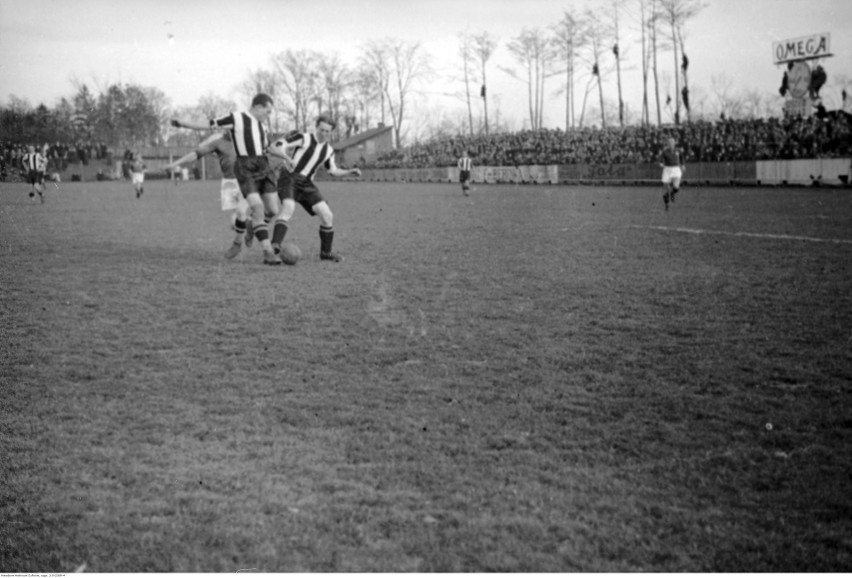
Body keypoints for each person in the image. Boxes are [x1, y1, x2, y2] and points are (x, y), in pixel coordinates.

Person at [171, 93, 282, 265]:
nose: (269, 116)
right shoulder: (236, 118)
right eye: (267, 112)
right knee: (256, 210)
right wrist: (183, 123)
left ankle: (247, 232)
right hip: (246, 168)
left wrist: (288, 159)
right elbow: (208, 124)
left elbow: (268, 146)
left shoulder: (262, 127)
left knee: (273, 210)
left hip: (263, 167)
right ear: (258, 107)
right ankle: (266, 252)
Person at [266, 115, 361, 262]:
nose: (323, 133)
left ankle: (326, 253)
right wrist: (287, 158)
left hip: (307, 184)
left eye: (327, 131)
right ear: (316, 128)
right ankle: (275, 247)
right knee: (288, 208)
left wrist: (349, 172)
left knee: (327, 215)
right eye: (321, 130)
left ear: (331, 133)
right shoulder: (303, 138)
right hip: (290, 177)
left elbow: (333, 171)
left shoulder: (329, 150)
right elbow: (276, 147)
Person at [164, 131, 254, 260]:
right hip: (229, 182)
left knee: (240, 212)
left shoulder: (246, 139)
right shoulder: (218, 142)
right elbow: (196, 153)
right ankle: (249, 226)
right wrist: (175, 164)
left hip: (247, 180)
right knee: (236, 218)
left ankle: (240, 240)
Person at [659, 137, 685, 211]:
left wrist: (683, 165)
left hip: (676, 169)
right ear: (667, 144)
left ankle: (672, 193)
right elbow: (661, 159)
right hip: (667, 169)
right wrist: (661, 164)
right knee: (666, 189)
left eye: (672, 142)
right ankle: (666, 205)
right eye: (669, 143)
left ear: (674, 143)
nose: (671, 144)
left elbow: (682, 158)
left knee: (676, 187)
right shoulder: (664, 151)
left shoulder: (678, 150)